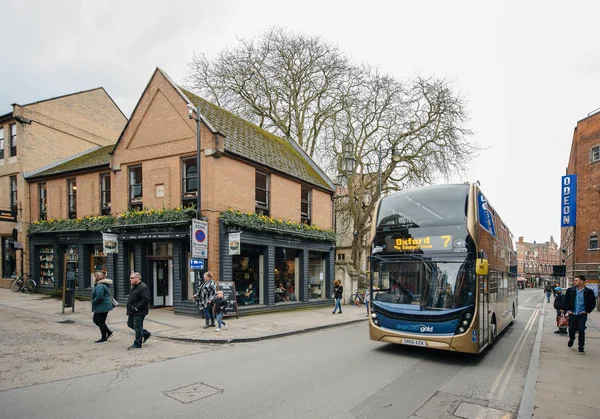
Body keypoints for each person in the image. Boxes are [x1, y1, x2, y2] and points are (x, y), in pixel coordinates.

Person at [565, 275, 596, 354]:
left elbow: (593, 303)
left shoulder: (589, 292)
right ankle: (572, 339)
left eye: (576, 280)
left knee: (581, 330)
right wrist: (568, 310)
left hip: (582, 314)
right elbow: (566, 301)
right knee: (571, 329)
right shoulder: (570, 290)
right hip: (572, 313)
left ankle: (581, 347)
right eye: (574, 280)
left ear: (581, 281)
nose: (574, 282)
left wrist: (587, 311)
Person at [126, 272, 151, 350]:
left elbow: (146, 299)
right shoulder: (134, 286)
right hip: (132, 310)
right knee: (130, 324)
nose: (130, 279)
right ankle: (146, 334)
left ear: (137, 278)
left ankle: (137, 343)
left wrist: (137, 307)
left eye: (132, 278)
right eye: (130, 278)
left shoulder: (143, 287)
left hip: (139, 311)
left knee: (137, 326)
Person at [91, 272, 114, 344]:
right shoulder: (102, 285)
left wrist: (93, 301)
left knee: (100, 322)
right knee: (97, 321)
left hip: (102, 307)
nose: (93, 278)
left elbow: (99, 297)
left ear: (97, 277)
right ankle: (107, 333)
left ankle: (104, 337)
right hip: (103, 306)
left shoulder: (99, 286)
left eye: (94, 276)